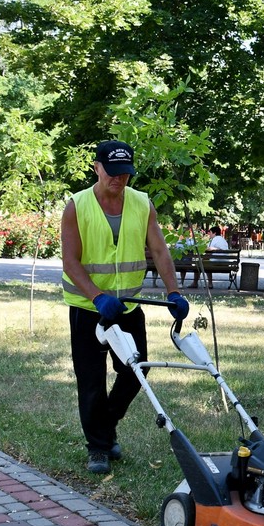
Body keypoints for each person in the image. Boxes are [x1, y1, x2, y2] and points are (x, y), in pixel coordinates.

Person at [61, 140, 190, 475]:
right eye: (112, 173)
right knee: (90, 380)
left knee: (136, 372)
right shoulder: (77, 206)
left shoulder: (141, 204)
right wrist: (97, 297)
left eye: (125, 174)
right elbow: (71, 262)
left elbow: (160, 252)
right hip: (87, 308)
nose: (118, 180)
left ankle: (105, 425)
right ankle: (98, 448)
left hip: (128, 308)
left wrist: (173, 291)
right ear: (97, 168)